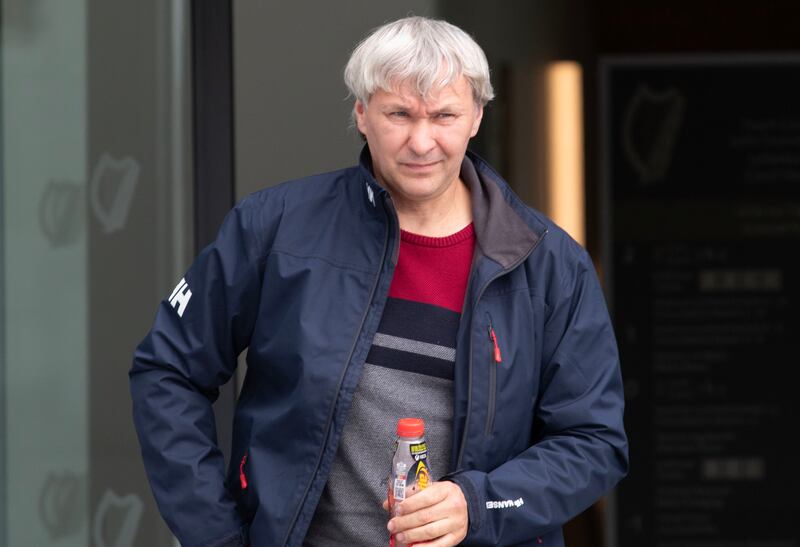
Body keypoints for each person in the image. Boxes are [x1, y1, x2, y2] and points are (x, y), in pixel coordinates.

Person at [130, 16, 628, 547]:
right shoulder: (274, 228)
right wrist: (217, 537)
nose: (421, 141)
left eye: (444, 115)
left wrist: (478, 505)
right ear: (362, 114)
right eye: (399, 114)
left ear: (477, 117)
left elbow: (594, 443)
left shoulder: (549, 264)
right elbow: (168, 371)